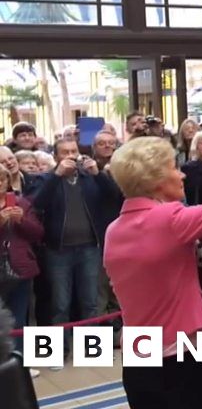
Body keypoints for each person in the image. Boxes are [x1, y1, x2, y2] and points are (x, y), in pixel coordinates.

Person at [104, 136, 202, 409]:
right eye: (174, 167)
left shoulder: (113, 230)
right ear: (156, 180)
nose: (182, 174)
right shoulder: (169, 220)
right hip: (182, 360)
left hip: (138, 364)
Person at [32, 139, 118, 359]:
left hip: (89, 248)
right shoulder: (46, 178)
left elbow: (116, 197)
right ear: (56, 155)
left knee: (90, 301)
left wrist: (98, 174)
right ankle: (56, 352)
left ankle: (92, 351)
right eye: (65, 152)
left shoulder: (90, 177)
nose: (70, 155)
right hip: (57, 250)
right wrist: (56, 176)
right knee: (59, 303)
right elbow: (36, 203)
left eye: (74, 151)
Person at [0, 166, 43, 354]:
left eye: (2, 179)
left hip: (20, 267)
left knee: (19, 317)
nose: (0, 183)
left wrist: (22, 221)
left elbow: (38, 233)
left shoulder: (21, 203)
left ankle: (19, 361)